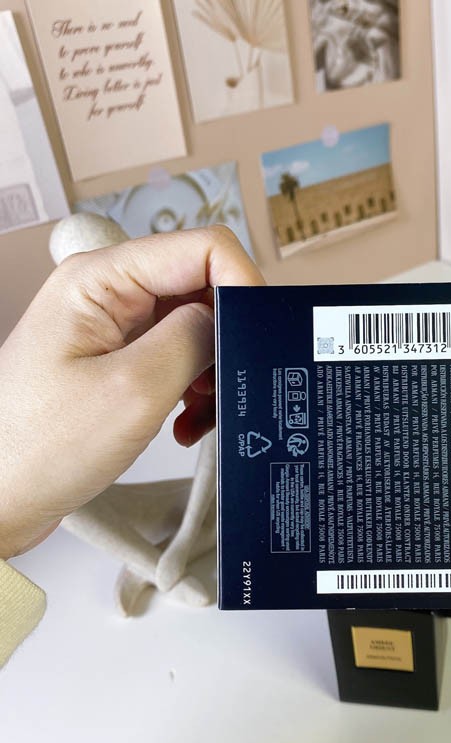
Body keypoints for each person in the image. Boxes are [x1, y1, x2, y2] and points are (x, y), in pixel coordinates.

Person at [0, 225, 265, 666]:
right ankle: (152, 563)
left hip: (198, 505)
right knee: (69, 506)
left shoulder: (190, 332)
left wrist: (181, 544)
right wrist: (159, 566)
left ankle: (175, 550)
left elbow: (221, 446)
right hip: (129, 515)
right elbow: (70, 510)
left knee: (231, 502)